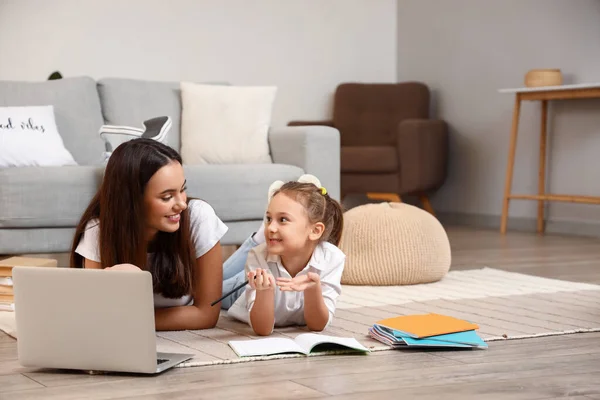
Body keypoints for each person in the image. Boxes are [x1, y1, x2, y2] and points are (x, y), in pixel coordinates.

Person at [70, 138, 261, 331]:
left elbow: (206, 314)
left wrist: (129, 320)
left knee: (241, 285)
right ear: (132, 201)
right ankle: (258, 241)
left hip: (195, 281)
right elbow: (96, 317)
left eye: (182, 189)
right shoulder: (98, 231)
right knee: (230, 283)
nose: (182, 204)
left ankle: (260, 240)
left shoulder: (197, 215)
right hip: (192, 284)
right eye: (167, 197)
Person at [227, 175, 346, 336]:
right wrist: (264, 292)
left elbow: (317, 326)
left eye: (282, 219)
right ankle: (257, 237)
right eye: (268, 219)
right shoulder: (258, 256)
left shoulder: (332, 258)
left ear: (315, 231)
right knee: (203, 291)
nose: (272, 227)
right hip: (237, 291)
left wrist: (313, 290)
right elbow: (262, 329)